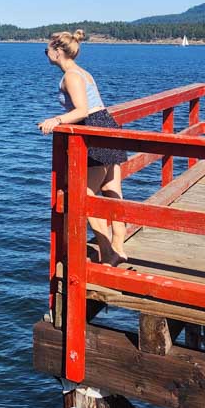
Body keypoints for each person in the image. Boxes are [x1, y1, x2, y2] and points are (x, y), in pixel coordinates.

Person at [36, 29, 128, 265]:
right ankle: (119, 244)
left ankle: (108, 250)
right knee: (111, 188)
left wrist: (55, 120)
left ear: (57, 52)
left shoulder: (71, 76)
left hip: (93, 129)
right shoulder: (82, 72)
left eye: (46, 50)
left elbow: (81, 111)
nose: (45, 54)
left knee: (83, 194)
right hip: (105, 124)